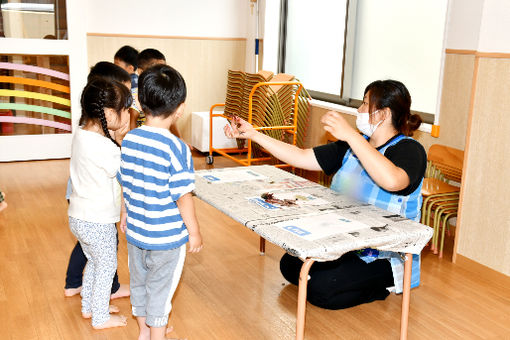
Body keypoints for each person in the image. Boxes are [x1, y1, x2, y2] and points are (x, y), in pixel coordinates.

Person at [224, 79, 427, 310]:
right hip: (345, 241)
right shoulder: (353, 147)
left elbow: (393, 181)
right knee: (289, 265)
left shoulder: (410, 150)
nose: (359, 111)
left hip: (383, 254)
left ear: (383, 114)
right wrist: (254, 134)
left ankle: (380, 287)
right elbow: (300, 156)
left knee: (323, 289)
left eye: (364, 104)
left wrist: (352, 136)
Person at [119, 64, 203, 340]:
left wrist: (124, 214)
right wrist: (194, 231)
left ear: (141, 103)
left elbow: (125, 181)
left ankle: (144, 331)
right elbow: (182, 196)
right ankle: (157, 335)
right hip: (166, 238)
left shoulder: (129, 139)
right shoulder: (177, 148)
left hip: (136, 233)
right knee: (161, 290)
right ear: (180, 109)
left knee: (141, 283)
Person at [68, 77, 132, 329]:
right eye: (124, 109)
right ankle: (100, 317)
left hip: (78, 216)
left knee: (94, 262)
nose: (127, 114)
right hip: (98, 219)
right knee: (106, 265)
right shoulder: (106, 147)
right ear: (107, 112)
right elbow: (124, 172)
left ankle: (91, 307)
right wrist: (120, 139)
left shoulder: (81, 135)